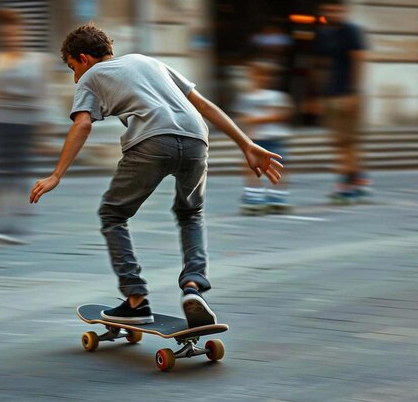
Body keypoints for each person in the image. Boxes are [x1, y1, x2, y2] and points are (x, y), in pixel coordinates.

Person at [30, 23, 283, 327]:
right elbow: (202, 105)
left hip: (152, 141)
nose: (75, 78)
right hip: (196, 139)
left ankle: (136, 300)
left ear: (83, 58)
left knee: (113, 214)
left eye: (73, 68)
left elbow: (82, 125)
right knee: (191, 213)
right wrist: (246, 143)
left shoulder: (91, 76)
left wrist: (57, 175)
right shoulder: (149, 61)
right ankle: (193, 286)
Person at [0, 8, 48, 245]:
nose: (10, 37)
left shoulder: (38, 61)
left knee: (18, 174)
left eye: (14, 33)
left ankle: (17, 223)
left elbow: (43, 95)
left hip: (24, 123)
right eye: (5, 34)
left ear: (22, 33)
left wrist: (45, 129)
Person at [315, 0, 369, 203]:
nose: (331, 13)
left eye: (335, 9)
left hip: (348, 95)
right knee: (339, 142)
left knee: (347, 143)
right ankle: (360, 182)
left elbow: (359, 60)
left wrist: (354, 92)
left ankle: (345, 186)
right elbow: (323, 65)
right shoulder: (325, 34)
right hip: (331, 94)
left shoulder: (351, 31)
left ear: (343, 10)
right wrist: (320, 96)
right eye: (327, 9)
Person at [235, 61, 293, 215]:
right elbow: (242, 118)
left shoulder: (277, 96)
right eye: (258, 74)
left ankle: (278, 197)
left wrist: (255, 120)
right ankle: (254, 197)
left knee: (279, 167)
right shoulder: (246, 97)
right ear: (251, 76)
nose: (262, 77)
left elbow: (281, 115)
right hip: (255, 139)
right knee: (251, 168)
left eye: (265, 74)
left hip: (274, 137)